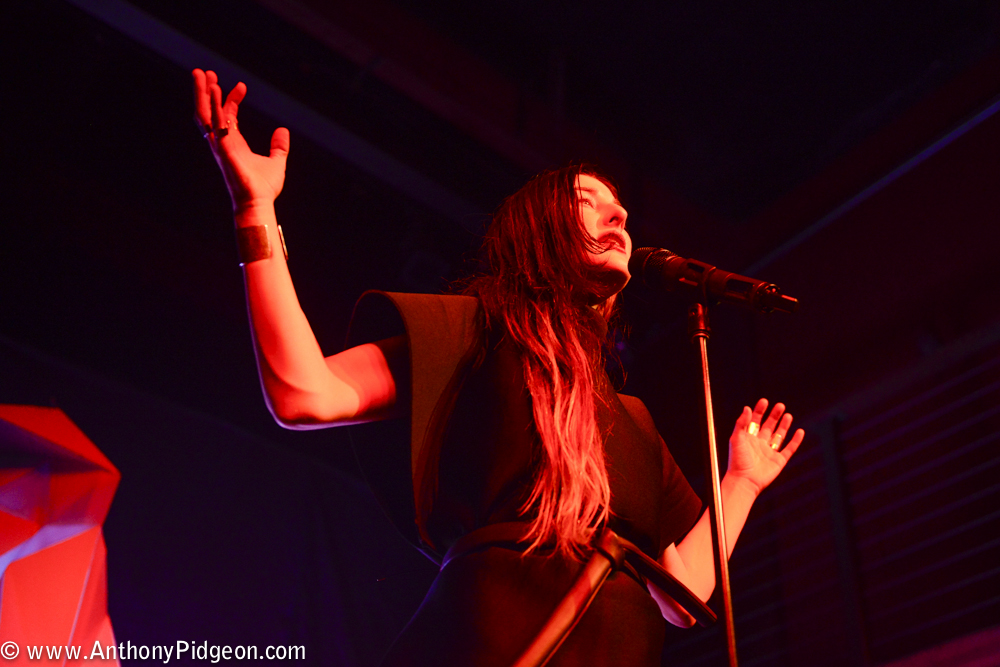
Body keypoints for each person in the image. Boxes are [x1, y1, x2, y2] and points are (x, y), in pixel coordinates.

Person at [192, 69, 804, 666]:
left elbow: (683, 597)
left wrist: (741, 482)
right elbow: (305, 393)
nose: (618, 216)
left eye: (619, 207)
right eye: (588, 203)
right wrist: (256, 211)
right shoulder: (477, 330)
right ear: (540, 234)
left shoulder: (637, 424)